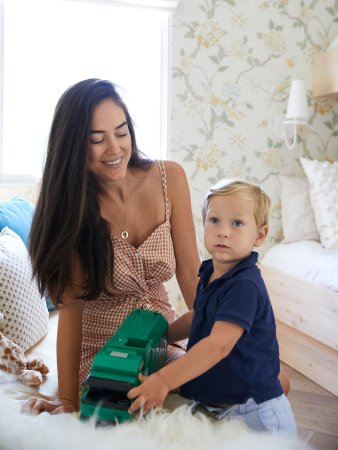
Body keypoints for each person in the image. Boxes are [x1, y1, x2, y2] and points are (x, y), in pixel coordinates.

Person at [21, 78, 201, 415]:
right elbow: (71, 309)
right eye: (96, 140)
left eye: (121, 132)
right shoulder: (73, 207)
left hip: (161, 339)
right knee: (121, 404)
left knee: (253, 382)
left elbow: (191, 275)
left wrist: (217, 337)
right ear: (74, 146)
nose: (115, 149)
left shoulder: (169, 178)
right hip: (103, 350)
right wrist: (68, 402)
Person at [128, 179, 297, 435]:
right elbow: (199, 315)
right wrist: (162, 335)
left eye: (237, 223)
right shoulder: (212, 273)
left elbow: (219, 344)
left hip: (252, 411)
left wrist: (163, 380)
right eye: (214, 220)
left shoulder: (244, 286)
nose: (223, 231)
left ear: (259, 235)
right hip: (217, 402)